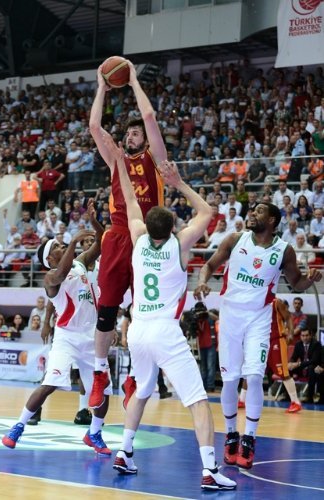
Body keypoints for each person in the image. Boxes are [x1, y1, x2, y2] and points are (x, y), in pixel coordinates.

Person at [109, 144, 236, 490]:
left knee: (144, 389)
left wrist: (120, 164)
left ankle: (124, 451)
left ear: (147, 226)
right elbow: (208, 212)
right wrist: (178, 183)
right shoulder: (178, 245)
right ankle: (210, 470)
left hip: (137, 330)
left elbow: (129, 200)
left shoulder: (136, 238)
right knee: (197, 400)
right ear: (173, 225)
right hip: (164, 331)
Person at [194, 202, 322, 469]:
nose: (252, 214)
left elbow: (296, 282)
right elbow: (209, 265)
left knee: (253, 376)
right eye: (252, 210)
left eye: (260, 211)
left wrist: (311, 279)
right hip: (230, 318)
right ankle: (231, 434)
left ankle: (249, 439)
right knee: (229, 381)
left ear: (273, 220)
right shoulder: (234, 239)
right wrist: (203, 281)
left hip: (259, 320)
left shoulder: (283, 250)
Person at [2, 201, 113, 454]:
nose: (63, 247)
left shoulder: (81, 263)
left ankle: (94, 433)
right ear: (49, 258)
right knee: (50, 383)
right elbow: (62, 275)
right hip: (67, 337)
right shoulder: (50, 277)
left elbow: (101, 242)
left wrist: (94, 221)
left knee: (102, 390)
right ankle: (18, 426)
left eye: (63, 245)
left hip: (92, 337)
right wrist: (72, 243)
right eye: (58, 247)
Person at [88, 60, 167, 409]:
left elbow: (149, 118)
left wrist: (133, 81)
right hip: (117, 235)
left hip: (149, 239)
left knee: (143, 314)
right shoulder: (116, 159)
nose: (131, 135)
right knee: (106, 312)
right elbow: (93, 125)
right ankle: (99, 373)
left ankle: (136, 374)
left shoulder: (156, 161)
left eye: (136, 134)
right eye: (129, 133)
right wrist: (103, 87)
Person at [288, 328, 322, 404]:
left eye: (307, 335)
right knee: (288, 370)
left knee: (311, 369)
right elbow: (294, 357)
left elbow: (314, 360)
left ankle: (310, 398)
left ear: (311, 335)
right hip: (302, 368)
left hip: (313, 368)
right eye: (303, 335)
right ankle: (288, 397)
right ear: (300, 336)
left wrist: (299, 364)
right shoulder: (298, 344)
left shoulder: (316, 344)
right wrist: (291, 363)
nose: (305, 337)